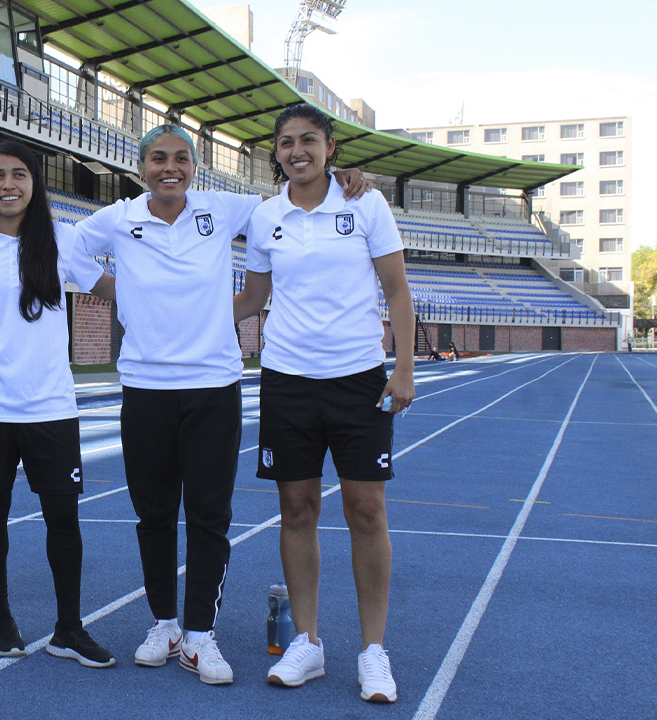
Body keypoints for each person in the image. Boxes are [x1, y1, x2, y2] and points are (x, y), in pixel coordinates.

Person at [70, 124, 370, 685]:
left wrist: (338, 178)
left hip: (213, 388)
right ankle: (164, 623)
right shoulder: (119, 217)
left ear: (194, 167)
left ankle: (201, 634)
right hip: (144, 387)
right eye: (158, 158)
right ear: (141, 170)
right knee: (154, 515)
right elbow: (69, 252)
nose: (170, 168)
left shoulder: (226, 208)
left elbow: (291, 200)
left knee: (209, 516)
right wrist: (119, 292)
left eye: (181, 159)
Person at [233, 103, 415, 703]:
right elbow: (254, 296)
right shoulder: (265, 217)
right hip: (286, 380)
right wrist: (177, 312)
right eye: (285, 143)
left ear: (330, 145)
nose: (296, 151)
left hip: (358, 379)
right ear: (276, 153)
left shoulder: (365, 203)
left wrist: (404, 369)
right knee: (297, 507)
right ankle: (307, 642)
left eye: (308, 140)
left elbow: (396, 289)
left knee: (366, 510)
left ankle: (373, 651)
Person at [0, 141, 116, 667]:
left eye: (19, 175)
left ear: (35, 183)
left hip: (49, 405)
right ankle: (4, 623)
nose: (8, 185)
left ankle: (69, 628)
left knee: (63, 518)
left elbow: (108, 288)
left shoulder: (61, 240)